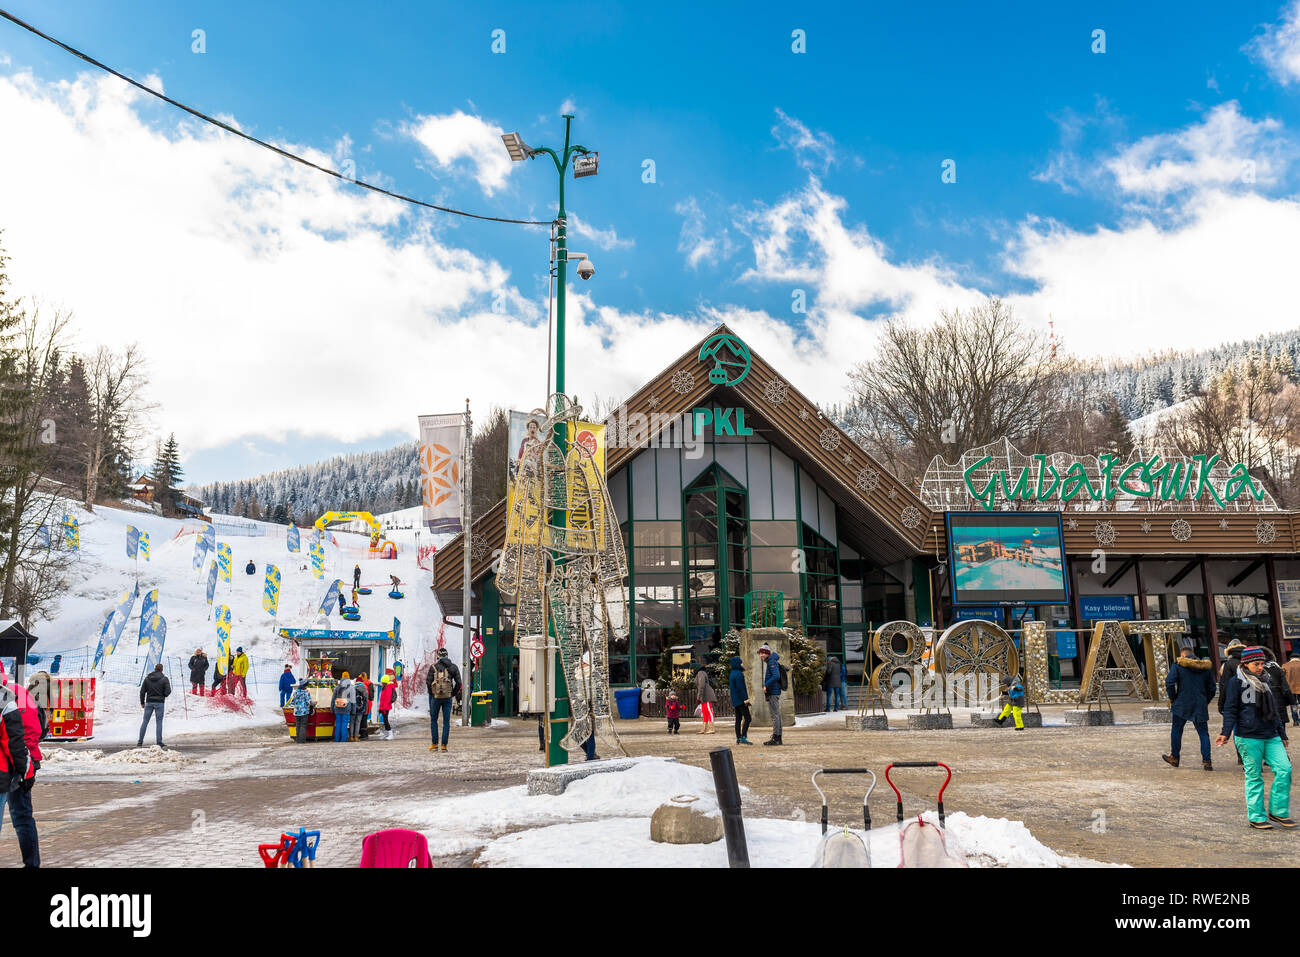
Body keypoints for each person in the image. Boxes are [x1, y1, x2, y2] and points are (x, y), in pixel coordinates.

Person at [1216, 646, 1294, 829]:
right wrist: (1225, 733)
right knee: (1254, 776)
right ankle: (1257, 816)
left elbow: (1274, 710)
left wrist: (1282, 733)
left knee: (1285, 770)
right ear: (1245, 664)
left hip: (1271, 734)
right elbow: (1230, 709)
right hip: (1248, 736)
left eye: (1262, 664)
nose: (1260, 667)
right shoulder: (1236, 683)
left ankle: (1278, 811)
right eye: (1256, 664)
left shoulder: (1267, 680)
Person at [0, 661, 41, 867]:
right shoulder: (16, 694)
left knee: (21, 817)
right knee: (23, 817)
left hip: (13, 764)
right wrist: (29, 769)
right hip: (19, 765)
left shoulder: (9, 697)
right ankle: (32, 863)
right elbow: (33, 733)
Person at [1163, 642, 1217, 769]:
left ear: (1182, 655)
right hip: (1199, 704)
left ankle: (1174, 757)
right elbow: (1212, 688)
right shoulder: (1205, 667)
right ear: (1193, 655)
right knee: (1203, 734)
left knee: (1177, 730)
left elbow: (1169, 682)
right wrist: (1205, 700)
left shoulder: (1178, 665)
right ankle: (1207, 761)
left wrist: (1173, 698)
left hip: (1181, 703)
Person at [1217, 639, 1248, 766]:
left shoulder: (1229, 664)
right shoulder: (1250, 661)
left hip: (1235, 700)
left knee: (1237, 729)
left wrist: (1221, 703)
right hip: (1251, 700)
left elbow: (1224, 685)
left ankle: (1242, 756)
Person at [426, 648, 461, 752]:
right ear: (447, 655)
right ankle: (444, 746)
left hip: (435, 698)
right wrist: (452, 693)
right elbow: (459, 683)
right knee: (446, 722)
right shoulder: (453, 667)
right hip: (447, 697)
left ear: (438, 656)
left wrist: (432, 694)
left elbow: (428, 683)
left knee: (433, 720)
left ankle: (434, 744)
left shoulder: (433, 667)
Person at [137, 663, 171, 749]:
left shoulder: (147, 678)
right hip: (159, 703)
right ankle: (159, 742)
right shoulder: (164, 679)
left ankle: (140, 742)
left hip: (149, 702)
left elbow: (142, 691)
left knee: (145, 722)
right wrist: (163, 695)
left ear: (155, 669)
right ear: (162, 669)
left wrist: (142, 702)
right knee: (159, 723)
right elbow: (168, 691)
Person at [759, 644, 784, 746]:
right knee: (776, 715)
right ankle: (777, 737)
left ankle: (776, 738)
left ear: (767, 653)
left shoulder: (771, 662)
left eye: (762, 653)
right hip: (773, 691)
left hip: (773, 692)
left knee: (775, 716)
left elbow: (776, 676)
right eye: (760, 653)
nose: (761, 655)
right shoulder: (771, 661)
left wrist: (766, 685)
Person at [729, 655, 752, 744]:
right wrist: (746, 699)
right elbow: (741, 688)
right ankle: (743, 736)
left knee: (738, 719)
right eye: (741, 662)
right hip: (741, 700)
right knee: (748, 718)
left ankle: (738, 738)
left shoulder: (732, 673)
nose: (742, 664)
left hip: (735, 700)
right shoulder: (739, 674)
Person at [695, 661, 717, 735]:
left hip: (706, 695)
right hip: (704, 695)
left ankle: (711, 728)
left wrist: (699, 697)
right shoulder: (701, 673)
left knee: (708, 711)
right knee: (704, 712)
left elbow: (701, 685)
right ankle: (704, 728)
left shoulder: (700, 673)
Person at [332, 673, 355, 743]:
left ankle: (337, 739)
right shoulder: (351, 687)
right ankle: (343, 739)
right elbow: (353, 700)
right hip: (346, 708)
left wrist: (332, 708)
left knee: (338, 723)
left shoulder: (338, 687)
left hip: (337, 707)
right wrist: (353, 710)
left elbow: (333, 698)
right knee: (344, 723)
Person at [378, 673, 396, 740]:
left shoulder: (388, 688)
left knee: (386, 720)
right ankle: (388, 734)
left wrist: (384, 708)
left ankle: (391, 734)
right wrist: (381, 708)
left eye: (382, 682)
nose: (381, 683)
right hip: (384, 707)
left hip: (386, 707)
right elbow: (382, 699)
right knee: (385, 720)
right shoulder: (385, 687)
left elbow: (387, 699)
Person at [1283, 653, 1300, 724]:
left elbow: (1282, 678)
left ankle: (1295, 720)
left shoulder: (1285, 666)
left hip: (1290, 689)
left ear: (1290, 658)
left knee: (1293, 704)